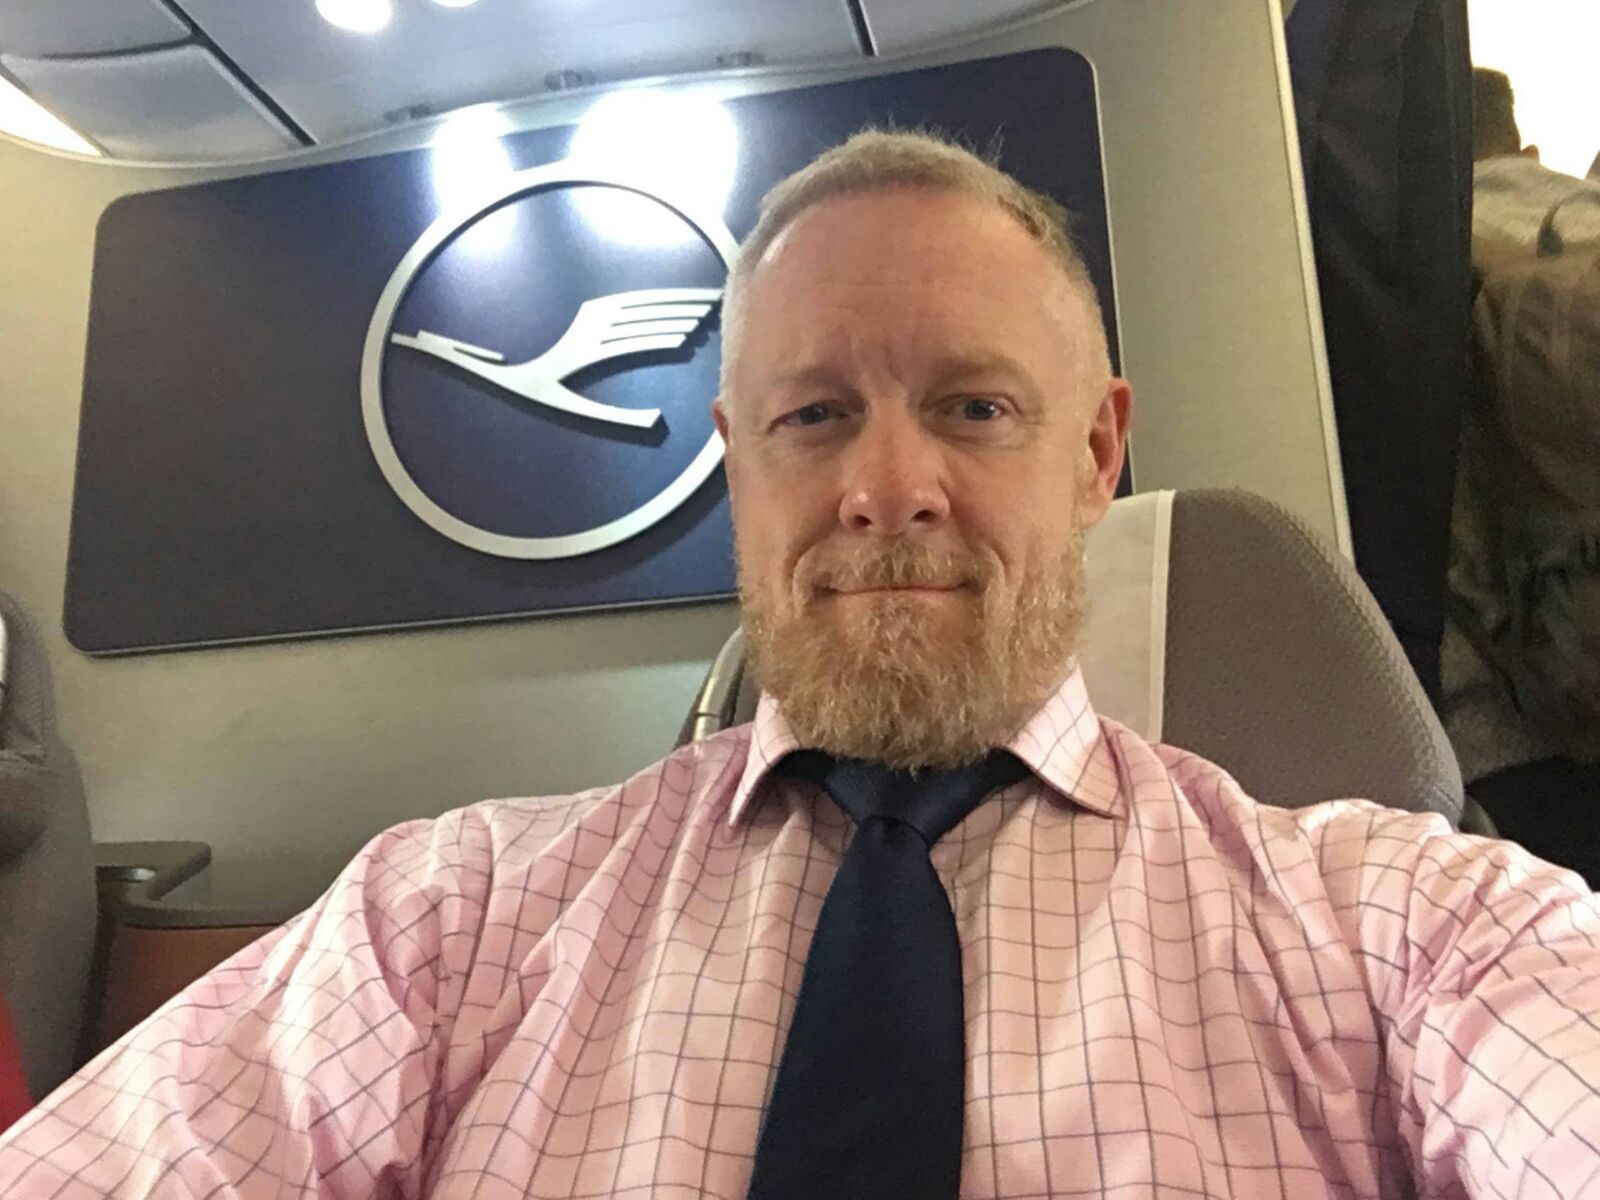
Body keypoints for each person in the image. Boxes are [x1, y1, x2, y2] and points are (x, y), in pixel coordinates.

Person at [3, 129, 1599, 1199]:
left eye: (974, 408)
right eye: (814, 414)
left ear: (1097, 452)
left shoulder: (1400, 926)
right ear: (738, 462)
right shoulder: (444, 925)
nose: (885, 486)